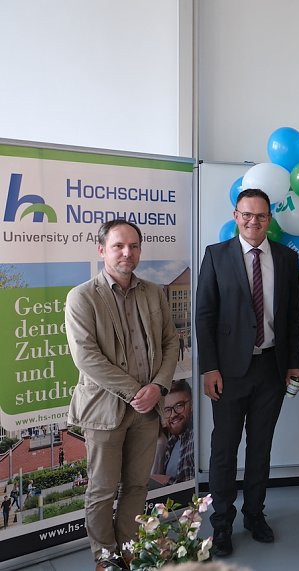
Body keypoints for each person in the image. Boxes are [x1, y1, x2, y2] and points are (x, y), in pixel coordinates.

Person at [196, 188, 299, 557]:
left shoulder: (286, 259)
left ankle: (255, 515)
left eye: (260, 215)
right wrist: (209, 367)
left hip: (272, 368)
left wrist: (294, 362)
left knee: (261, 447)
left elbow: (293, 316)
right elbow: (204, 316)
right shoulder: (216, 256)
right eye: (246, 214)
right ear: (235, 215)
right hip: (228, 372)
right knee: (224, 449)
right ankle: (222, 524)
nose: (253, 221)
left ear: (269, 219)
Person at [65, 219, 179, 570]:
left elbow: (171, 342)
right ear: (102, 250)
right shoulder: (82, 296)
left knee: (136, 486)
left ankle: (128, 549)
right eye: (118, 246)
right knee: (102, 490)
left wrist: (158, 387)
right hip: (105, 410)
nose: (127, 253)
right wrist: (137, 392)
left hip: (147, 409)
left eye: (134, 246)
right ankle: (105, 556)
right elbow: (87, 357)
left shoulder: (153, 292)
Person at [160, 379, 195, 484]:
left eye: (179, 405)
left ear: (192, 405)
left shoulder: (195, 438)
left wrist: (166, 481)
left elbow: (196, 486)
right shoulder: (172, 442)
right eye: (167, 410)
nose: (173, 414)